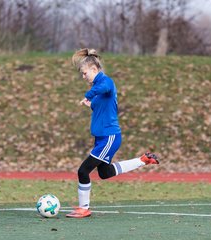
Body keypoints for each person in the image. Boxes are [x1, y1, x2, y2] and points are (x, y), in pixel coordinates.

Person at [66, 48, 159, 218]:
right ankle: (143, 160)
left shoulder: (106, 82)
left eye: (85, 73)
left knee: (83, 171)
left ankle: (84, 208)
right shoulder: (99, 88)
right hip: (102, 138)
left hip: (109, 138)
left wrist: (88, 96)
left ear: (94, 70)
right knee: (105, 173)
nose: (83, 76)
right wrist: (91, 104)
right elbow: (103, 106)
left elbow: (104, 87)